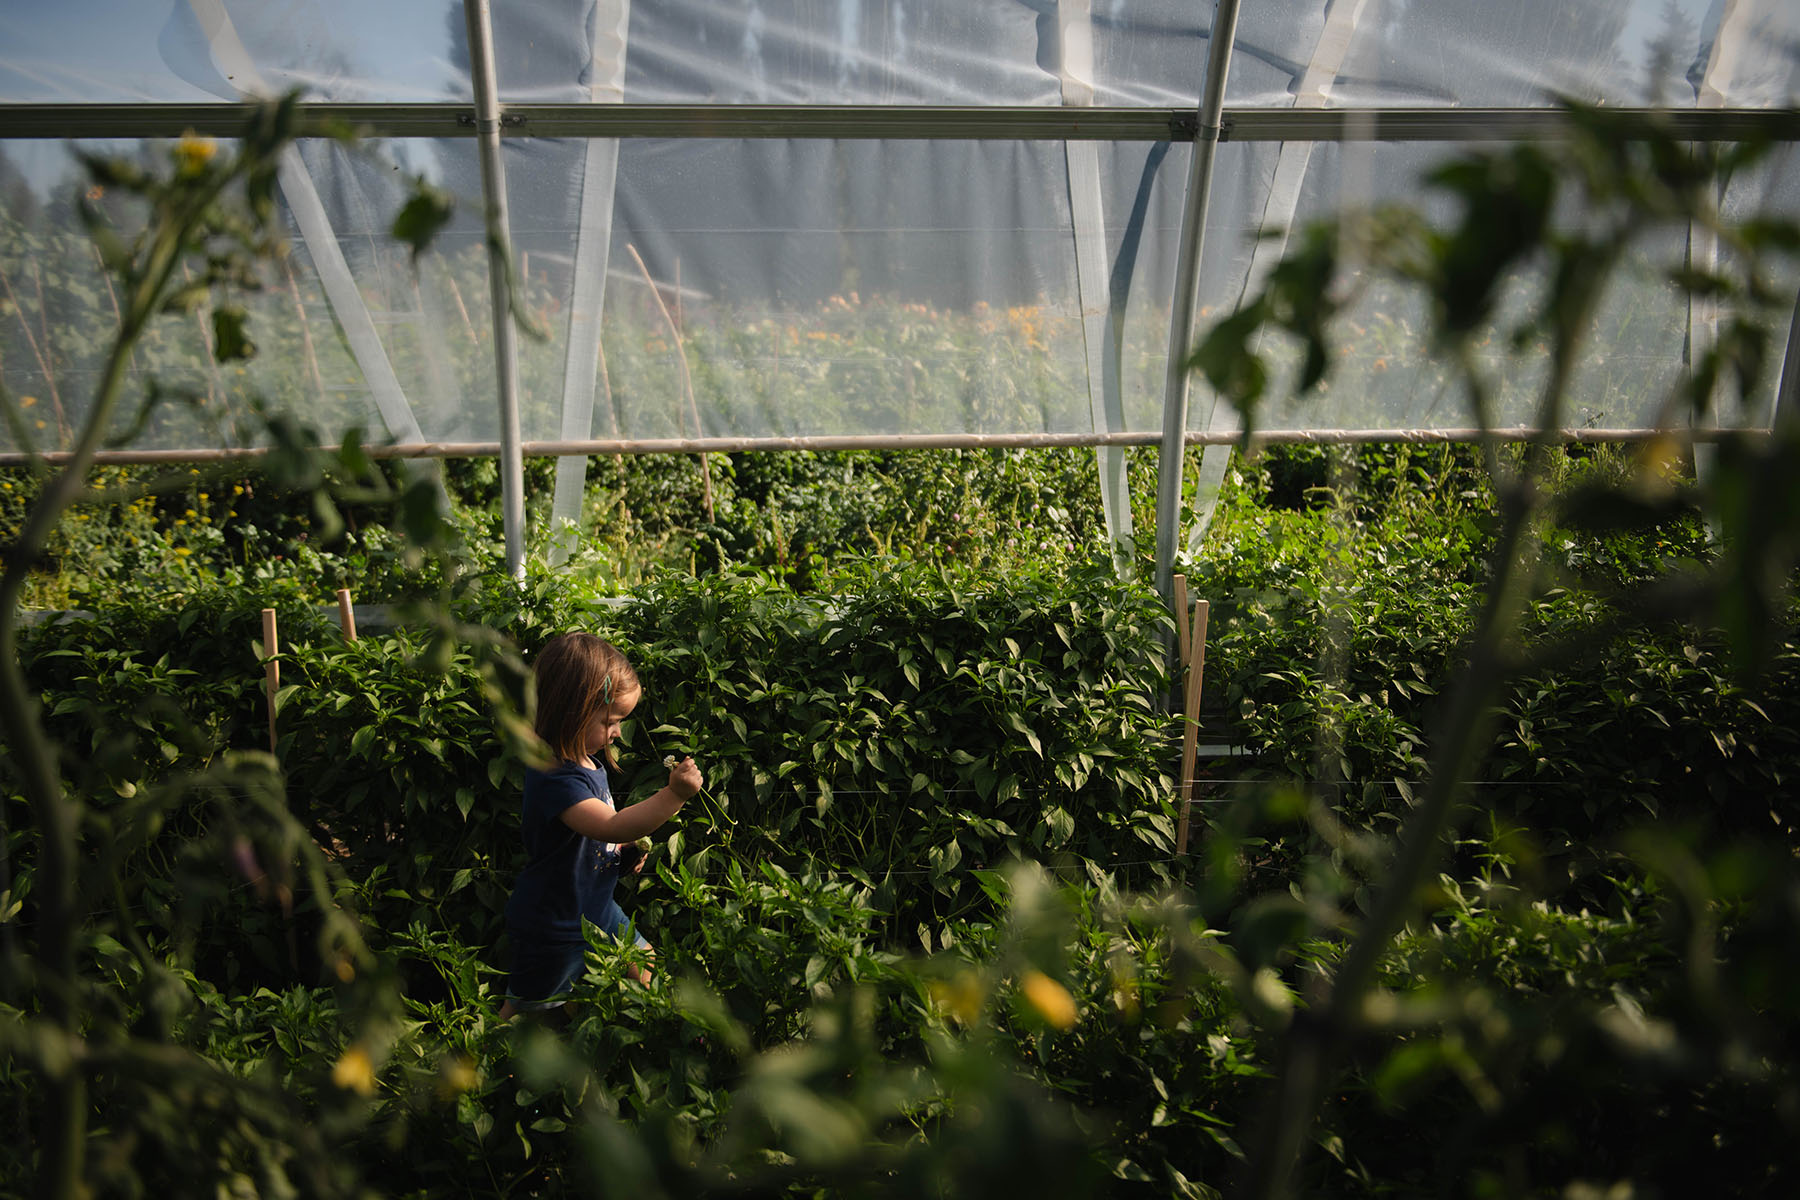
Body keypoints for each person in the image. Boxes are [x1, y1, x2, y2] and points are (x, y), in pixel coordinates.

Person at [498, 633, 701, 1020]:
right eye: (612, 721)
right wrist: (673, 796)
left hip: (596, 911)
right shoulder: (556, 777)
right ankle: (475, 1064)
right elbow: (609, 825)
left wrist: (618, 856)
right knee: (526, 1009)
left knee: (644, 964)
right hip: (555, 924)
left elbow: (593, 838)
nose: (619, 731)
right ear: (572, 712)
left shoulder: (589, 764)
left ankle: (653, 1036)